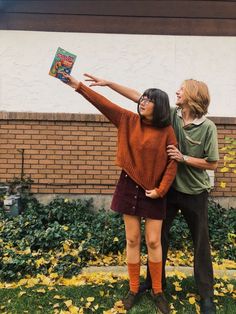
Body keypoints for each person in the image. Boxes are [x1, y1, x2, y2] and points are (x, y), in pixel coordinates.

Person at [83, 74, 219, 314]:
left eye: (182, 90)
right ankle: (154, 285)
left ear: (193, 97)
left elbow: (212, 163)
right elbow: (138, 97)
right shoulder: (171, 117)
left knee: (200, 242)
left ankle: (206, 294)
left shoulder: (207, 127)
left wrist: (184, 158)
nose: (177, 92)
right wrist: (109, 83)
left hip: (195, 191)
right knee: (157, 240)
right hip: (168, 190)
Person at [60, 73, 177, 314]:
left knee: (154, 241)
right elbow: (104, 103)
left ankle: (157, 290)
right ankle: (134, 289)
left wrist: (161, 190)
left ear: (160, 106)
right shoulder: (128, 120)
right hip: (129, 185)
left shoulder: (167, 130)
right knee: (132, 240)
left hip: (154, 191)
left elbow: (172, 164)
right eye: (142, 97)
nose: (142, 101)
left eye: (148, 99)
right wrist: (78, 86)